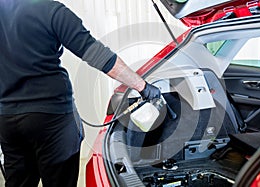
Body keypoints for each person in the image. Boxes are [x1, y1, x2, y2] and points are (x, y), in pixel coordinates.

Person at [0, 0, 161, 186]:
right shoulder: (51, 11)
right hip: (52, 118)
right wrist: (142, 86)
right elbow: (98, 55)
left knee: (19, 181)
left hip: (8, 119)